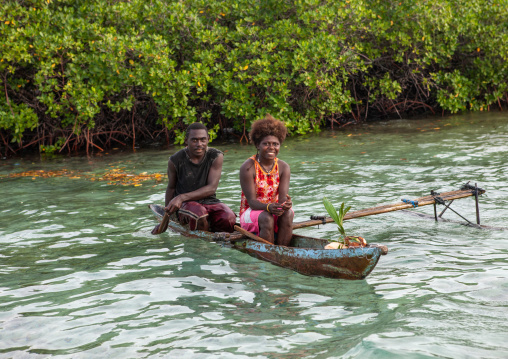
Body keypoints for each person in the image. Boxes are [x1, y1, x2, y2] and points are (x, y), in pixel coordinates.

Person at [152, 122, 237, 234]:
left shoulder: (216, 156)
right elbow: (171, 188)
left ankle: (221, 239)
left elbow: (211, 188)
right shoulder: (175, 160)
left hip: (209, 201)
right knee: (199, 215)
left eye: (203, 140)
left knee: (229, 217)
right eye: (194, 140)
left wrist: (181, 197)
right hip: (185, 204)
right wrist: (168, 215)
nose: (199, 144)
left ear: (208, 139)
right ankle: (202, 243)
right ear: (186, 140)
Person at [239, 115, 294, 245]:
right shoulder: (248, 167)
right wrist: (268, 207)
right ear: (258, 145)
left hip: (274, 209)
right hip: (252, 212)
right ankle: (270, 254)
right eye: (266, 144)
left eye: (275, 144)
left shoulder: (283, 167)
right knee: (266, 218)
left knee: (288, 214)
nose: (271, 147)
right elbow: (252, 202)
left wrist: (286, 204)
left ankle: (283, 251)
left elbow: (282, 198)